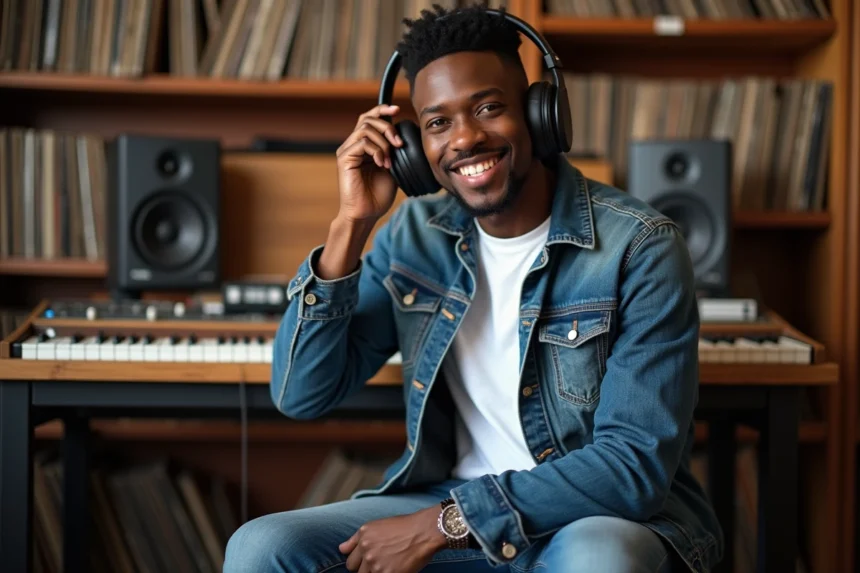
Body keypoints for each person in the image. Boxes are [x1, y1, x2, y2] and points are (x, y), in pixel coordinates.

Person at [224, 3, 722, 572]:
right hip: (448, 499)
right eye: (437, 123)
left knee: (598, 559)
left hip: (588, 517)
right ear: (412, 148)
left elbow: (632, 467)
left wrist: (447, 522)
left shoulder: (640, 245)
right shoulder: (414, 235)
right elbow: (302, 394)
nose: (465, 138)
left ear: (540, 116)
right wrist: (351, 225)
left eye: (488, 108)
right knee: (261, 548)